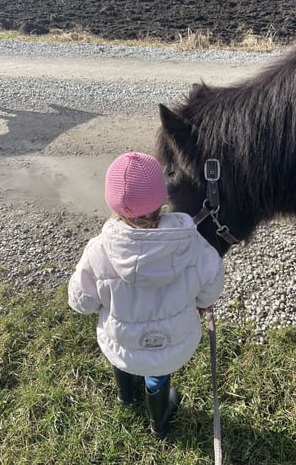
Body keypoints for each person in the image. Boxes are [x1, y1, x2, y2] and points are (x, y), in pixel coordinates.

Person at [68, 152, 225, 438]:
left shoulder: (98, 250)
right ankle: (159, 420)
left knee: (123, 356)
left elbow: (81, 302)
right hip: (172, 345)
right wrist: (202, 303)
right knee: (156, 368)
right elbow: (212, 285)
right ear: (161, 198)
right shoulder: (192, 242)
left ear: (112, 202)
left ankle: (126, 396)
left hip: (121, 344)